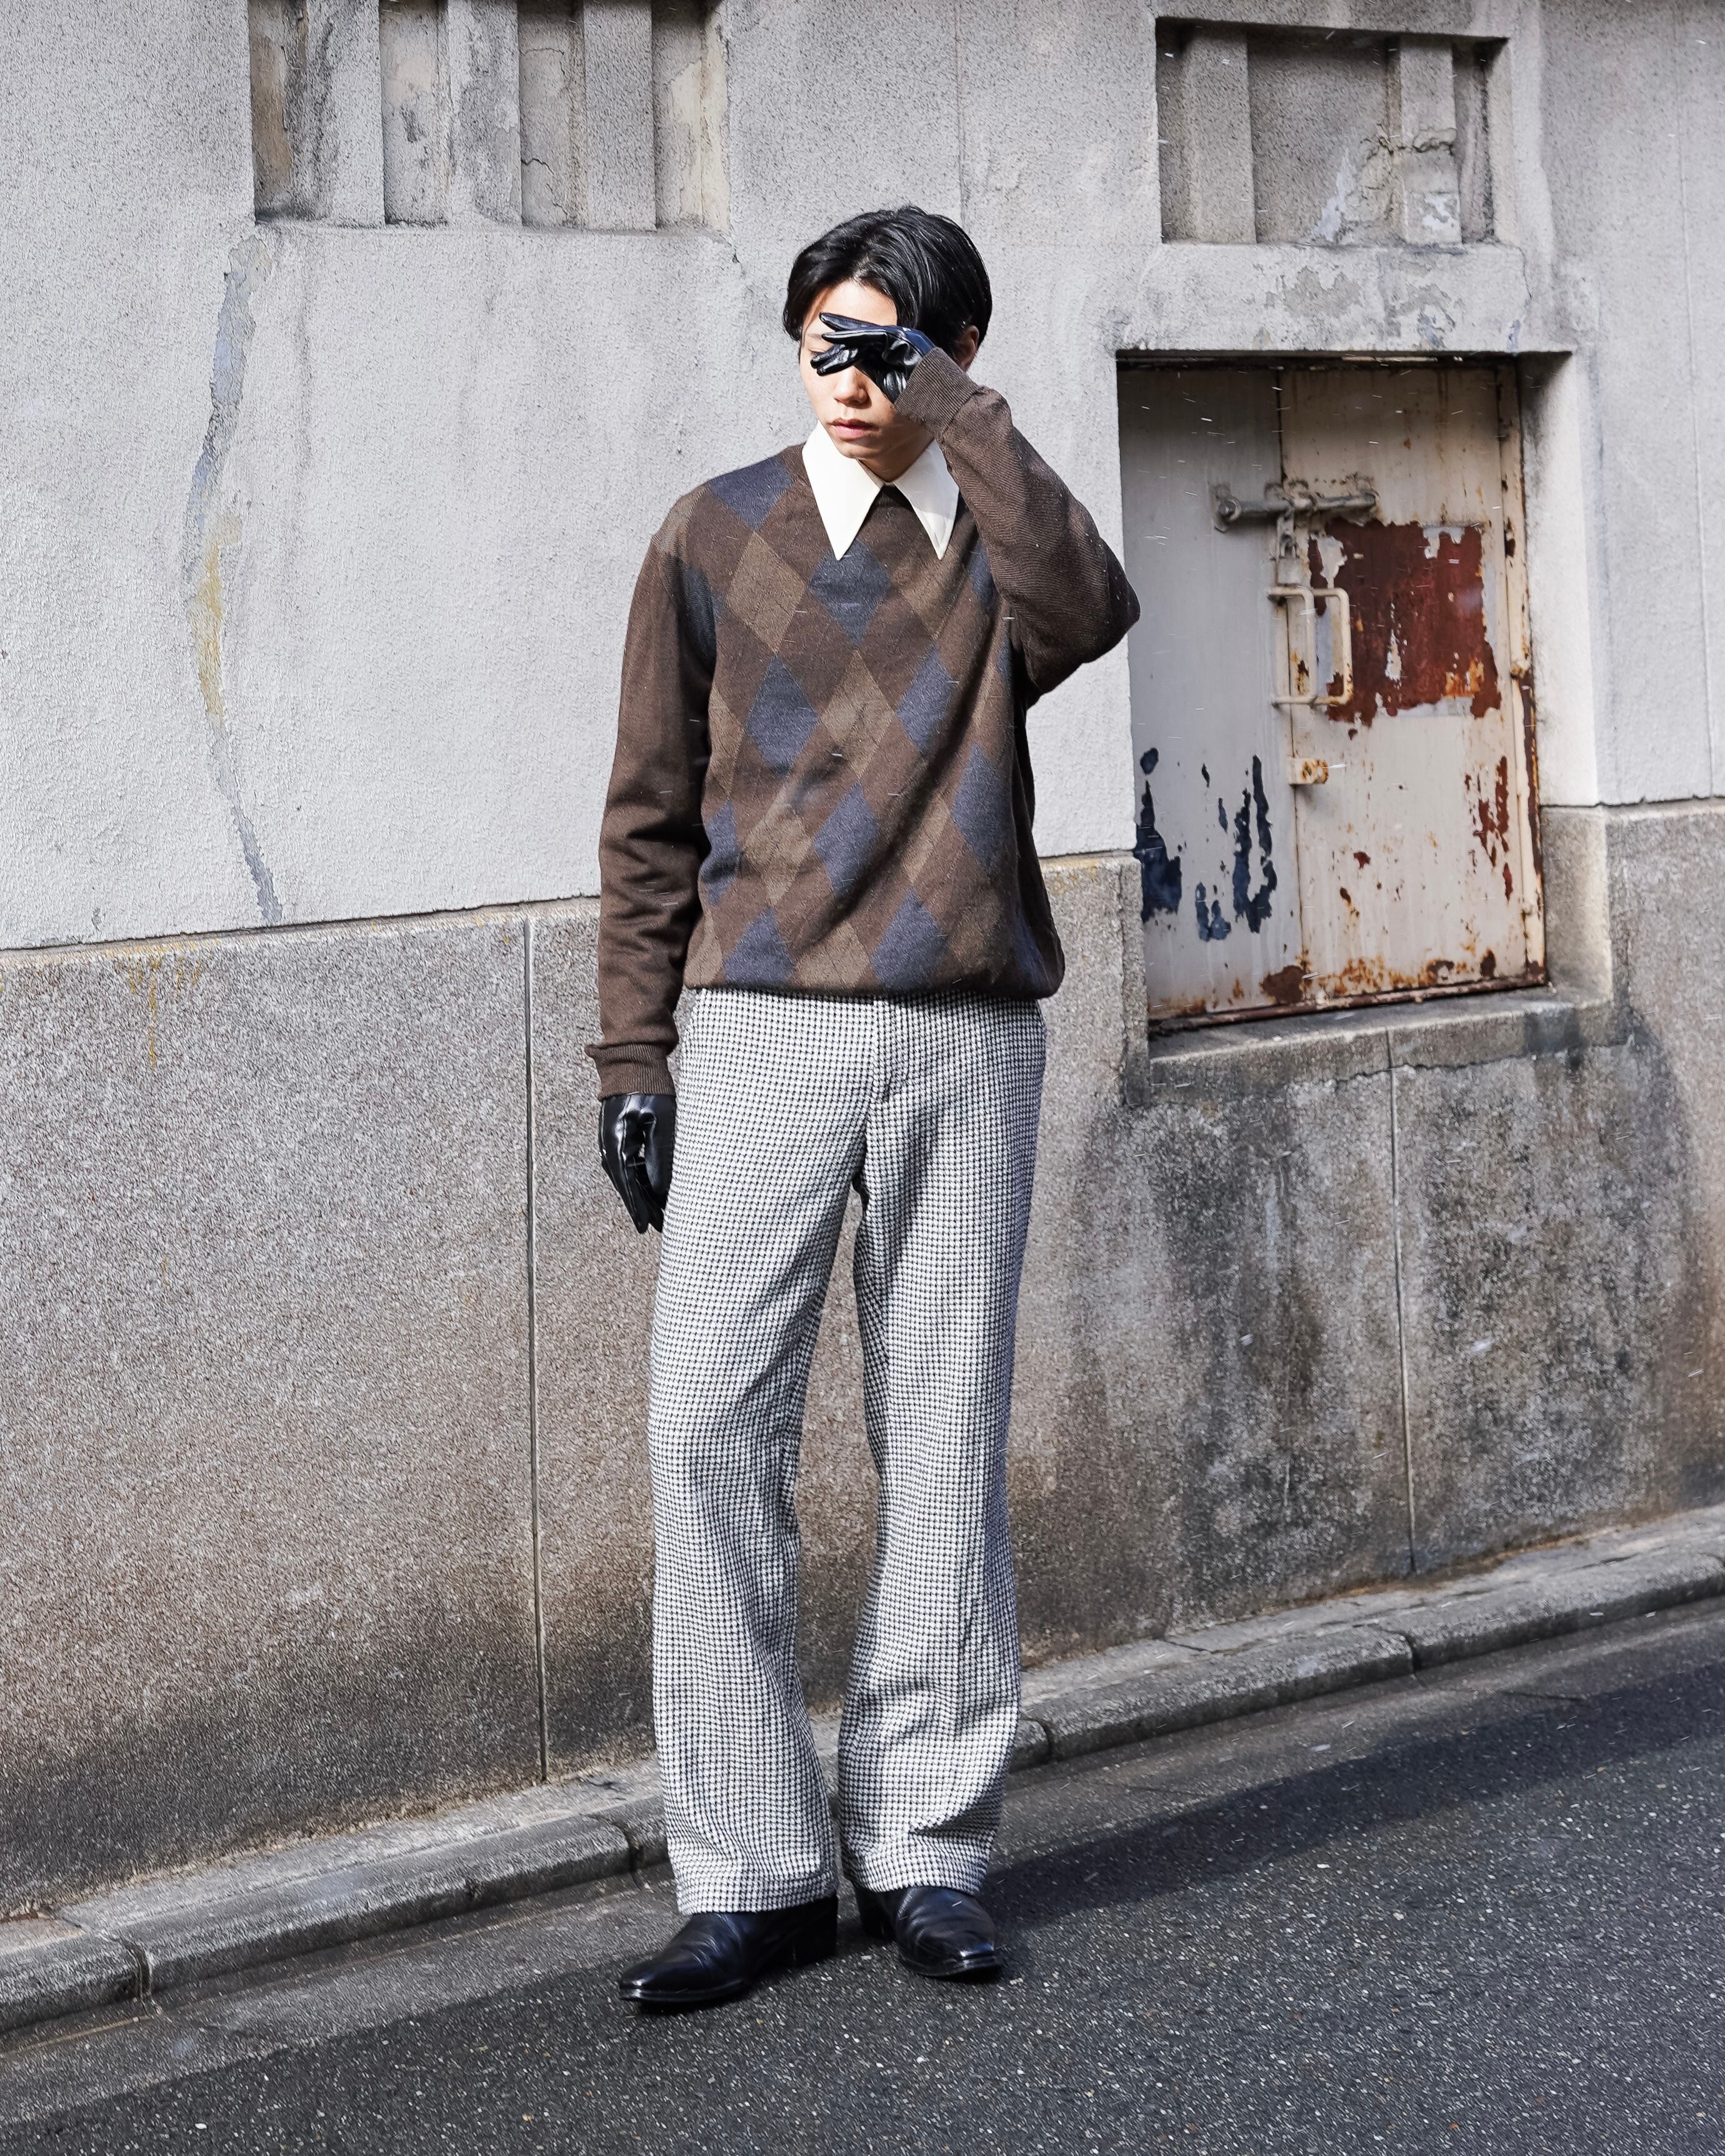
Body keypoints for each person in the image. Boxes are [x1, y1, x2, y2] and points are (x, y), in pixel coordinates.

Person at [589, 203, 1139, 2010]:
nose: (849, 378)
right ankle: (748, 1872)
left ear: (954, 358)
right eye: (826, 341)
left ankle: (923, 1848)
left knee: (943, 1442)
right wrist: (633, 1057)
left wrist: (959, 415)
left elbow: (1094, 605)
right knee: (705, 1430)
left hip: (965, 1031)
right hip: (759, 1026)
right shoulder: (712, 533)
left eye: (887, 349)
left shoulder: (995, 541)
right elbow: (648, 816)